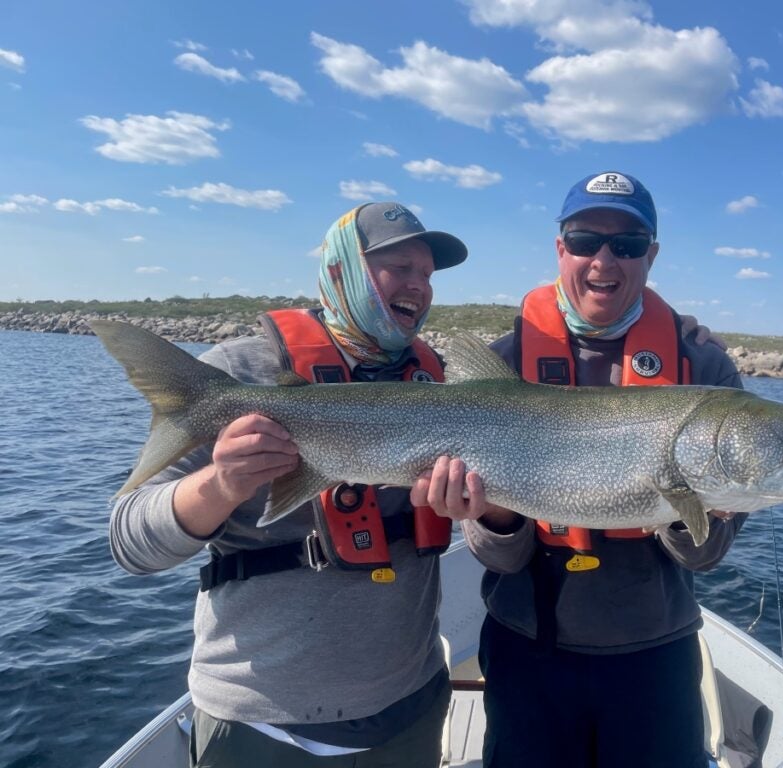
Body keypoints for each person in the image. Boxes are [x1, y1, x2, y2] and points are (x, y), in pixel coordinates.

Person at [109, 202, 468, 768]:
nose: (418, 286)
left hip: (409, 706)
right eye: (398, 267)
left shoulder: (442, 383)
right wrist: (222, 484)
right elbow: (129, 543)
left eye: (426, 274)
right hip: (262, 720)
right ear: (336, 273)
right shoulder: (238, 374)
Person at [412, 171, 746, 768]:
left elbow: (705, 555)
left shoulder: (705, 370)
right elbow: (501, 557)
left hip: (655, 651)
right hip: (527, 644)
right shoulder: (502, 363)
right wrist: (490, 512)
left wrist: (687, 503)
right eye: (587, 239)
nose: (604, 259)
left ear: (651, 255)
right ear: (561, 248)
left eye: (628, 244)